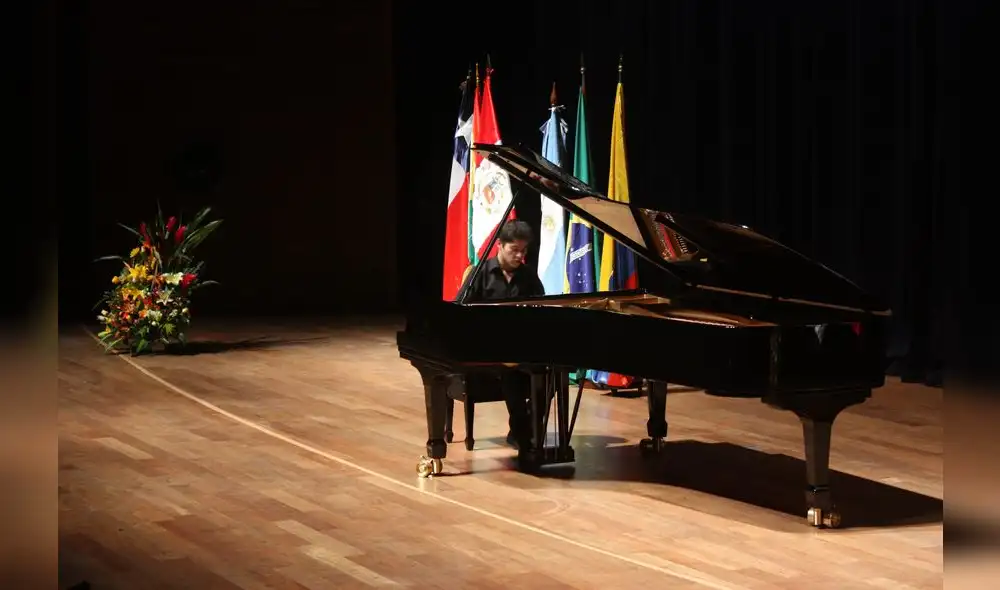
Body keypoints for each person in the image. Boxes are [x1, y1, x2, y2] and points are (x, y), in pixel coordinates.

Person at [459, 219, 546, 450]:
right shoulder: (481, 274)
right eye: (514, 250)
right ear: (499, 245)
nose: (519, 256)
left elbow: (542, 308)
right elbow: (461, 313)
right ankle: (523, 434)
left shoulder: (528, 277)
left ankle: (526, 426)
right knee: (511, 372)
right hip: (487, 345)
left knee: (550, 374)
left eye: (523, 250)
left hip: (521, 343)